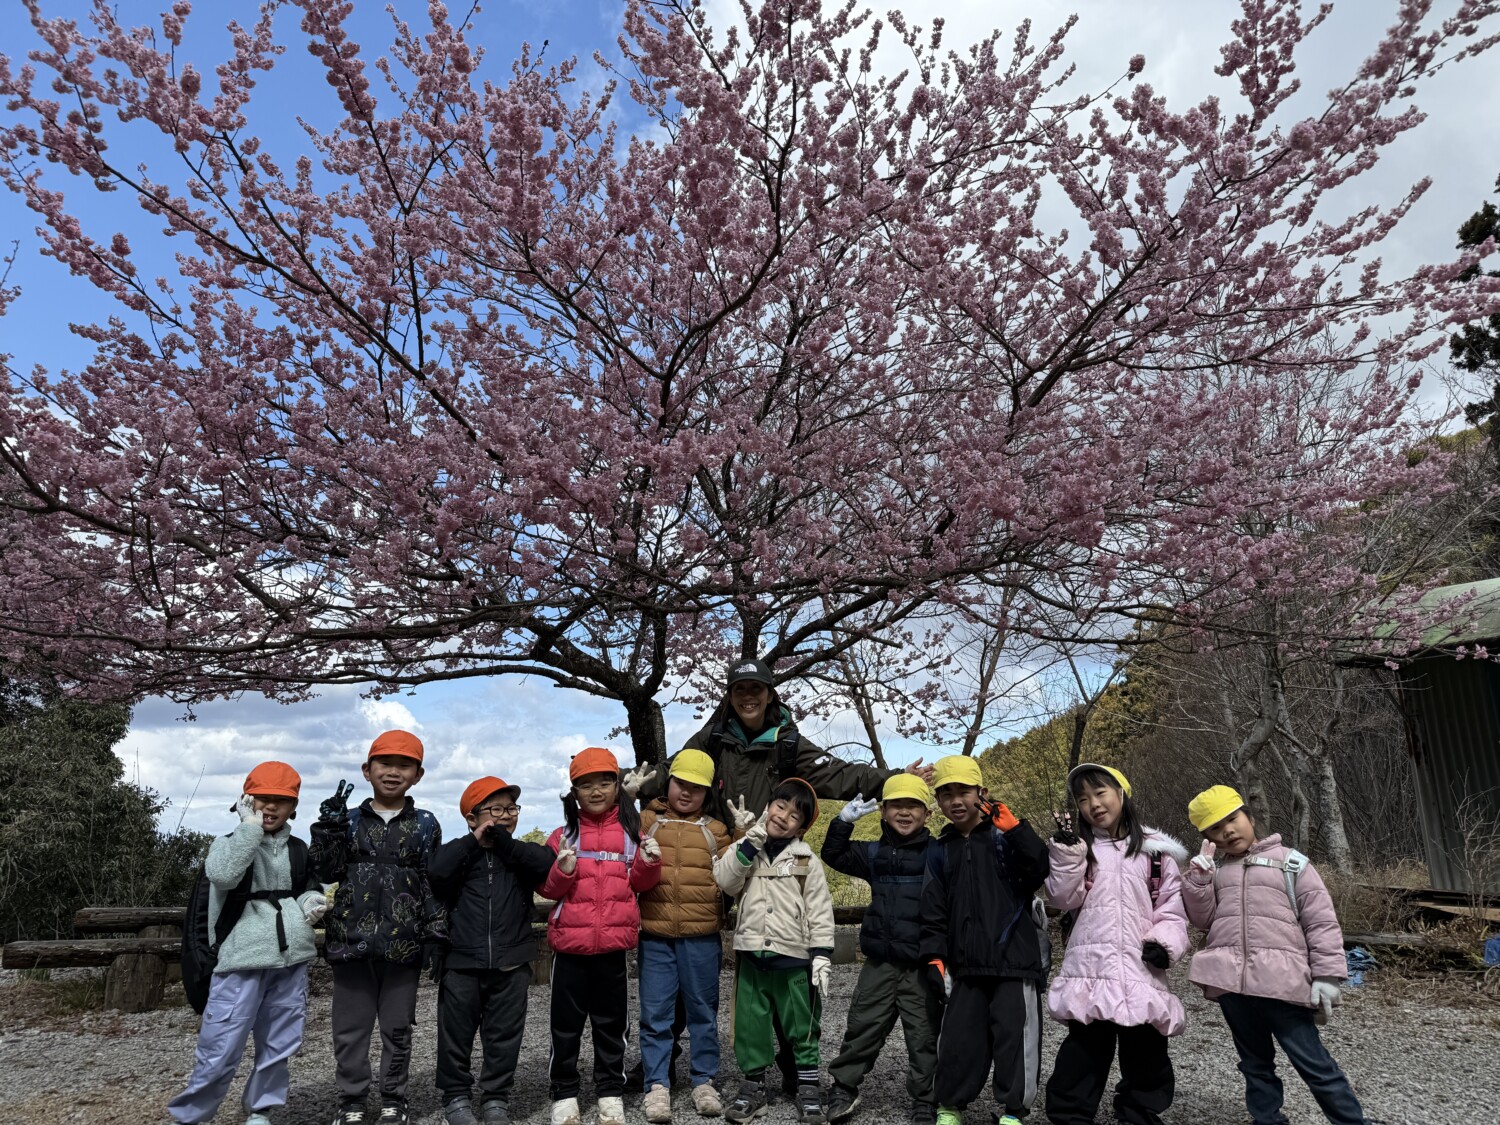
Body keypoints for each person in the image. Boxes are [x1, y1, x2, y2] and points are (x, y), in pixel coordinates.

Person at [629, 655, 933, 1095]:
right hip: (722, 855)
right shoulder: (713, 737)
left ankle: (793, 1064)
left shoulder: (787, 743)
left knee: (783, 955)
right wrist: (628, 786)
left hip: (771, 860)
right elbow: (677, 771)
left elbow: (837, 773)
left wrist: (893, 780)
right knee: (690, 954)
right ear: (730, 696)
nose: (748, 697)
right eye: (740, 690)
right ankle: (663, 1061)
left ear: (769, 694)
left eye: (756, 689)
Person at [1182, 786, 1371, 1125]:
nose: (1227, 831)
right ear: (1207, 838)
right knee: (1254, 1065)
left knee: (1315, 1065)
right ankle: (1267, 1120)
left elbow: (1321, 922)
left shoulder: (1291, 863)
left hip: (1283, 985)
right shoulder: (1217, 872)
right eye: (1215, 828)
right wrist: (1198, 883)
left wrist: (1327, 976)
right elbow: (1203, 921)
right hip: (1232, 988)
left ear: (1250, 817)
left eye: (1232, 819)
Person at [168, 762, 326, 1125]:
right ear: (245, 801)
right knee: (220, 1045)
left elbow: (302, 890)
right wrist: (249, 829)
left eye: (280, 801)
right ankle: (190, 1116)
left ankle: (260, 1109)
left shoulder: (298, 849)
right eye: (261, 798)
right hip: (240, 959)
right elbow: (223, 875)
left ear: (293, 807)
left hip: (291, 960)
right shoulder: (227, 843)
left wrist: (310, 903)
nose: (270, 806)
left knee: (279, 1044)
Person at [311, 730, 447, 1125]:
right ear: (366, 770)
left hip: (404, 944)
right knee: (349, 1029)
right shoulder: (348, 820)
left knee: (397, 1028)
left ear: (418, 775)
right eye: (384, 763)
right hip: (350, 940)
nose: (393, 772)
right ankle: (352, 1100)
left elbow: (433, 883)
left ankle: (393, 1098)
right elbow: (326, 871)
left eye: (404, 765)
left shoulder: (425, 823)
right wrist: (328, 829)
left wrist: (437, 933)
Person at [1042, 764, 1189, 1125]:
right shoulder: (1081, 849)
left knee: (1147, 1052)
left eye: (1100, 793)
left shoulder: (1156, 853)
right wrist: (1066, 857)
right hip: (1091, 967)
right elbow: (1061, 898)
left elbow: (1172, 909)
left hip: (1141, 966)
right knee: (1083, 1052)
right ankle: (1070, 1115)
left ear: (1121, 793)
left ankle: (1139, 1113)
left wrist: (1164, 943)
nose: (1093, 804)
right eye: (1083, 799)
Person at [919, 754, 1050, 1125]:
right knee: (958, 1040)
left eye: (964, 791)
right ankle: (949, 1105)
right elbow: (933, 910)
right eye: (946, 793)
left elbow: (1039, 869)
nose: (956, 800)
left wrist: (1017, 830)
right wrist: (934, 956)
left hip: (1014, 961)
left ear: (982, 793)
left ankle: (1014, 1111)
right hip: (965, 964)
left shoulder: (1004, 837)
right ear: (938, 800)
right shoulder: (940, 848)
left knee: (1015, 1038)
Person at [540, 747, 663, 1125]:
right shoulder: (562, 835)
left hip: (612, 948)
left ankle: (610, 1091)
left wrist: (650, 863)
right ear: (574, 792)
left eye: (604, 783)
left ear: (616, 787)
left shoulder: (630, 833)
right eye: (586, 785)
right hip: (569, 948)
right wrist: (561, 871)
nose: (596, 791)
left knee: (612, 1026)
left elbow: (641, 884)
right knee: (565, 1026)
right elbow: (547, 889)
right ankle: (564, 1093)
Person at [428, 775, 558, 1125]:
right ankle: (456, 1097)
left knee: (504, 1036)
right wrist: (474, 841)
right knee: (455, 1036)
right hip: (462, 961)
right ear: (472, 818)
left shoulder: (518, 854)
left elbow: (547, 863)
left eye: (511, 809)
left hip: (511, 961)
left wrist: (505, 844)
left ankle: (496, 1098)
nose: (506, 816)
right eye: (495, 809)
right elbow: (436, 872)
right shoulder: (459, 853)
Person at [714, 778, 836, 1125]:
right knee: (750, 1025)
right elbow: (725, 881)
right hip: (752, 957)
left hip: (794, 960)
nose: (783, 816)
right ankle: (753, 1088)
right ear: (769, 806)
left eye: (794, 815)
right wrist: (749, 841)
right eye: (780, 806)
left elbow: (819, 909)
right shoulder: (746, 848)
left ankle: (808, 1088)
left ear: (802, 827)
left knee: (803, 1025)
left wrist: (822, 953)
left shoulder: (806, 860)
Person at [820, 774, 941, 1125]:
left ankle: (926, 1099)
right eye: (896, 805)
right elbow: (834, 853)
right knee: (862, 1026)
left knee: (924, 1036)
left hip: (921, 965)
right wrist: (842, 822)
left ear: (927, 814)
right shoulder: (872, 853)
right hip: (880, 962)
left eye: (913, 806)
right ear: (884, 811)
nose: (904, 812)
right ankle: (844, 1087)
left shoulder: (939, 853)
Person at [637, 748, 739, 1123]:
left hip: (702, 935)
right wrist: (625, 797)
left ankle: (704, 1081)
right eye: (681, 783)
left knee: (703, 1014)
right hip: (655, 935)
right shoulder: (647, 821)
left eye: (696, 787)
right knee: (655, 1015)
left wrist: (744, 833)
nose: (687, 792)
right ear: (669, 783)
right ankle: (656, 1086)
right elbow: (613, 833)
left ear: (707, 792)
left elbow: (735, 873)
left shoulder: (716, 830)